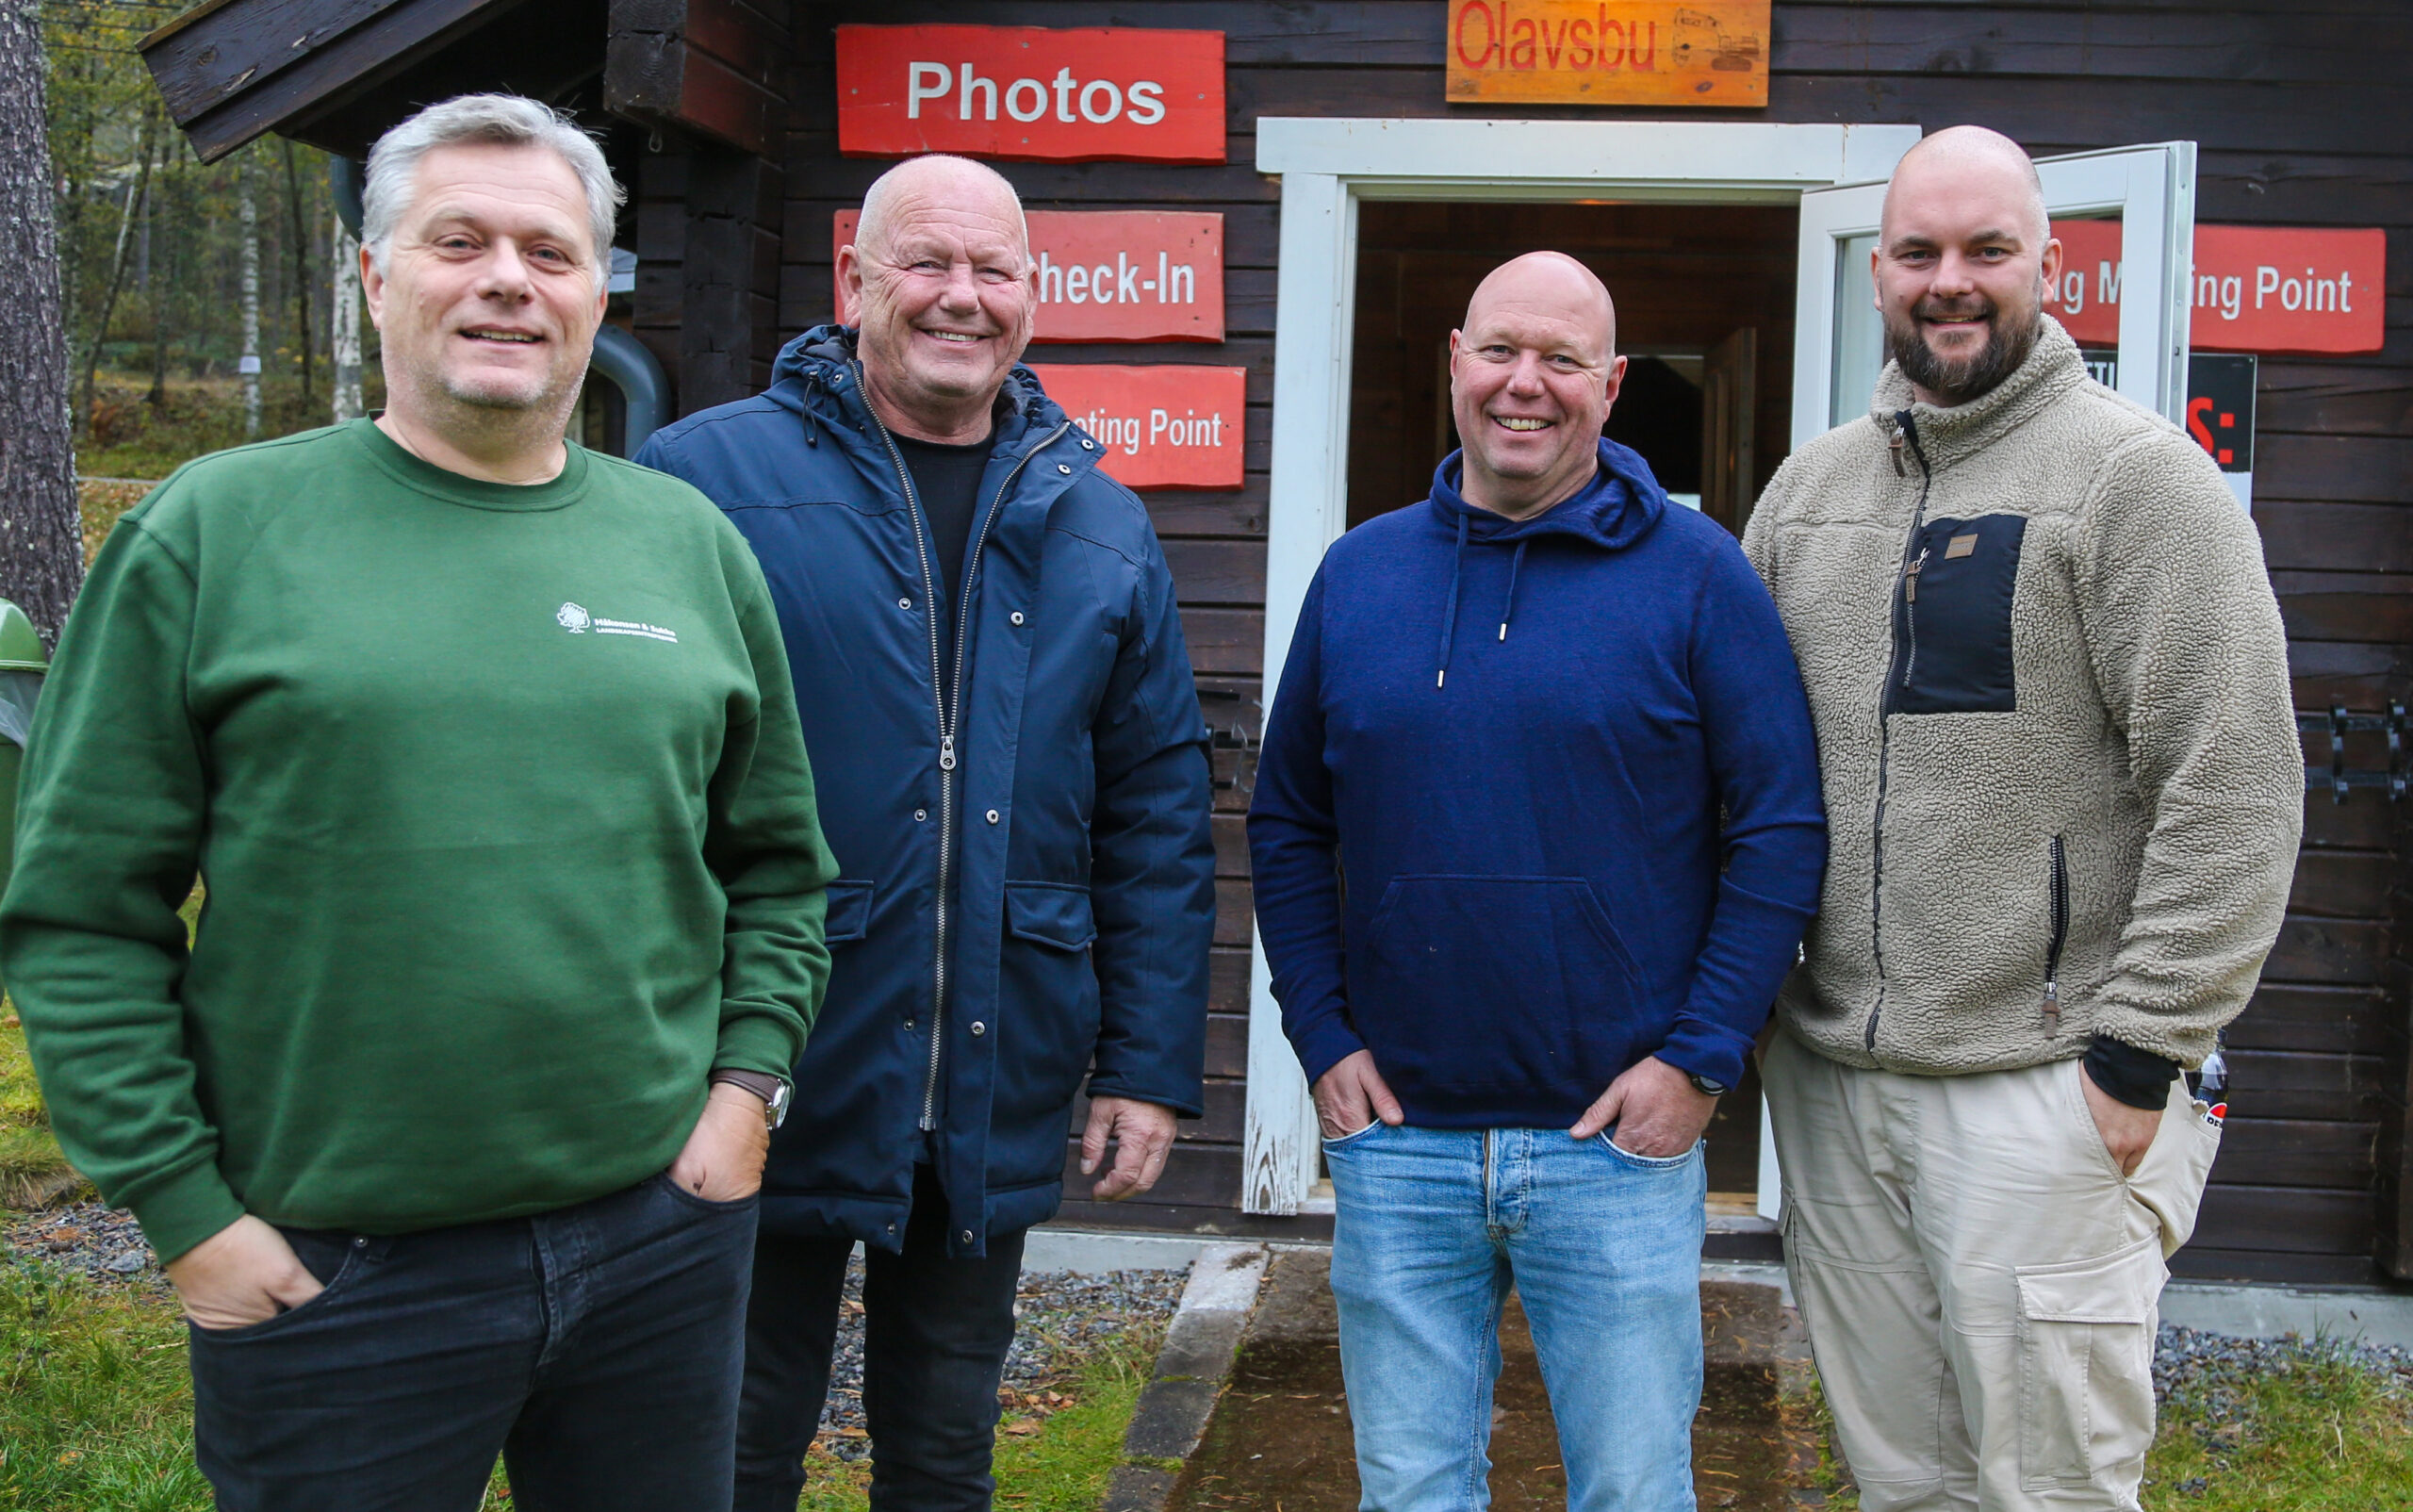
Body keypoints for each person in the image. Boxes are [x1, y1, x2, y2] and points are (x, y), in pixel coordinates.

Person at [0, 94, 839, 1511]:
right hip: (337, 1274)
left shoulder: (687, 547)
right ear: (379, 276)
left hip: (658, 1240)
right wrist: (188, 1213)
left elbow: (776, 867)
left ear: (594, 291)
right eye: (460, 241)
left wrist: (746, 1093)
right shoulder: (211, 534)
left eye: (551, 251)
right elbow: (80, 914)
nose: (509, 278)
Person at [635, 153, 1215, 1512]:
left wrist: (1145, 1066)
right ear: (854, 283)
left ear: (1033, 296)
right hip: (756, 1068)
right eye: (926, 264)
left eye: (993, 270)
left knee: (947, 1449)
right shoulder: (702, 479)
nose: (962, 297)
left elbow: (1154, 812)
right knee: (732, 1440)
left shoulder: (1099, 519)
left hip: (991, 1064)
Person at [1743, 126, 2303, 1512]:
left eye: (1989, 250)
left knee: (2048, 1490)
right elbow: (1741, 779)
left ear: (2052, 263)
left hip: (2042, 1091)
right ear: (1878, 271)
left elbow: (2232, 781)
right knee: (1901, 1482)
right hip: (1837, 1090)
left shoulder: (2136, 480)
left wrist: (2137, 1056)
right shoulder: (1806, 501)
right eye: (1922, 251)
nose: (1953, 281)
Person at [1248, 252, 1828, 1512]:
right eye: (1502, 351)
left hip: (1611, 1147)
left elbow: (1781, 828)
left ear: (1613, 387)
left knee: (1631, 1491)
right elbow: (1288, 818)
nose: (1527, 385)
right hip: (1398, 1141)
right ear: (1454, 359)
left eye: (1563, 361)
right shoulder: (1361, 575)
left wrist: (1700, 1059)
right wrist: (1320, 1032)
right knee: (1411, 1493)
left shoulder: (1696, 575)